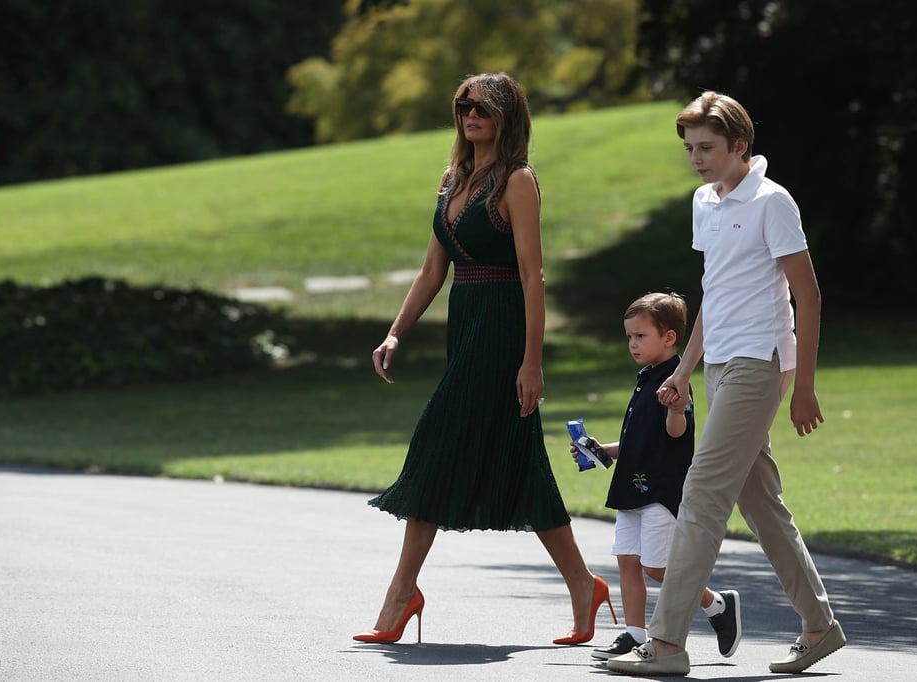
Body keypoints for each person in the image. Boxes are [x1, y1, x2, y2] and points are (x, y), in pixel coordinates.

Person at [354, 72, 616, 647]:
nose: (470, 114)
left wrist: (532, 362)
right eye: (463, 105)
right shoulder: (452, 179)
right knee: (521, 464)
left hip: (502, 333)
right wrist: (395, 332)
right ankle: (584, 585)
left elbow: (532, 275)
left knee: (435, 445)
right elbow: (432, 270)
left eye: (482, 107)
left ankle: (401, 594)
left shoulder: (518, 181)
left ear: (506, 117)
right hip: (466, 326)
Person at [607, 91, 847, 676]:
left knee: (702, 493)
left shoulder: (772, 202)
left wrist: (805, 386)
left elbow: (808, 295)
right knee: (759, 499)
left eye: (707, 147)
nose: (696, 158)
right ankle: (819, 626)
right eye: (690, 148)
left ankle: (666, 643)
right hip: (718, 363)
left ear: (740, 145)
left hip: (761, 360)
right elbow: (713, 295)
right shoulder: (704, 201)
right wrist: (683, 370)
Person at [575, 293, 741, 662]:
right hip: (630, 487)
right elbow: (638, 439)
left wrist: (676, 410)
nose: (633, 344)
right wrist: (601, 449)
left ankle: (717, 604)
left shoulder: (676, 382)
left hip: (660, 491)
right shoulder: (647, 378)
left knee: (658, 567)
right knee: (627, 560)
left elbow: (677, 433)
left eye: (641, 336)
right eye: (629, 337)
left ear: (669, 337)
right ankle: (635, 634)